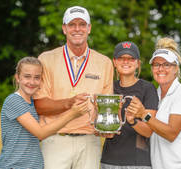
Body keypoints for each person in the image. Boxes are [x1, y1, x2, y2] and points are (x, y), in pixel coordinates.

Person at [33, 6, 114, 169]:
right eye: (72, 24)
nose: (77, 29)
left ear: (89, 28)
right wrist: (70, 103)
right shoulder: (46, 59)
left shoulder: (104, 62)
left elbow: (107, 107)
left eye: (82, 24)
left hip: (89, 142)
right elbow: (39, 105)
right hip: (55, 140)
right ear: (64, 29)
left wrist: (108, 126)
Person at [0, 57, 89, 169]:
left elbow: (33, 137)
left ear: (41, 81)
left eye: (37, 78)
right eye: (27, 76)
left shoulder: (31, 103)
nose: (32, 82)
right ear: (17, 78)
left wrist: (73, 101)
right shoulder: (14, 101)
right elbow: (40, 133)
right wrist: (72, 114)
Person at [128, 37, 181, 169]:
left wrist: (144, 114)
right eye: (156, 64)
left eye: (166, 64)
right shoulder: (154, 94)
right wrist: (132, 120)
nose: (160, 69)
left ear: (176, 68)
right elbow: (149, 131)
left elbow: (171, 133)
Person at [100, 41, 159, 169]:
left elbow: (149, 131)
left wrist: (132, 121)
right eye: (121, 58)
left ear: (138, 63)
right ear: (114, 62)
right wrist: (103, 130)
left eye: (131, 58)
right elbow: (101, 123)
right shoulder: (108, 87)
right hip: (109, 160)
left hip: (137, 162)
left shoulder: (148, 89)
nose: (126, 62)